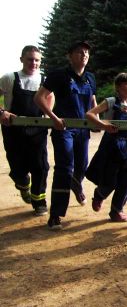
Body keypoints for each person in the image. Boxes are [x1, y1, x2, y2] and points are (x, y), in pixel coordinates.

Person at [34, 41, 97, 230]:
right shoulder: (59, 75)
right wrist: (53, 117)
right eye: (79, 52)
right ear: (69, 56)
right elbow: (39, 97)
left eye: (86, 52)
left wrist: (97, 120)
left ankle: (76, 185)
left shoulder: (90, 78)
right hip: (64, 130)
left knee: (82, 167)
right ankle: (55, 215)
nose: (84, 55)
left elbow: (93, 101)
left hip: (83, 130)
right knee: (64, 169)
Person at [85, 73, 127, 222]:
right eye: (126, 83)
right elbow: (90, 114)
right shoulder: (111, 102)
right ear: (118, 87)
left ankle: (116, 210)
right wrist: (103, 125)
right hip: (111, 144)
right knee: (111, 177)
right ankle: (100, 194)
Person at [0, 45, 52, 216]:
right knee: (18, 169)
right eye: (30, 59)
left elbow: (51, 97)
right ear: (21, 59)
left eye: (37, 60)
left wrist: (47, 114)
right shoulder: (9, 78)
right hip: (12, 131)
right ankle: (23, 184)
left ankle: (39, 201)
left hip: (37, 131)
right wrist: (3, 112)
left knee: (41, 166)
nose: (33, 63)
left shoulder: (45, 80)